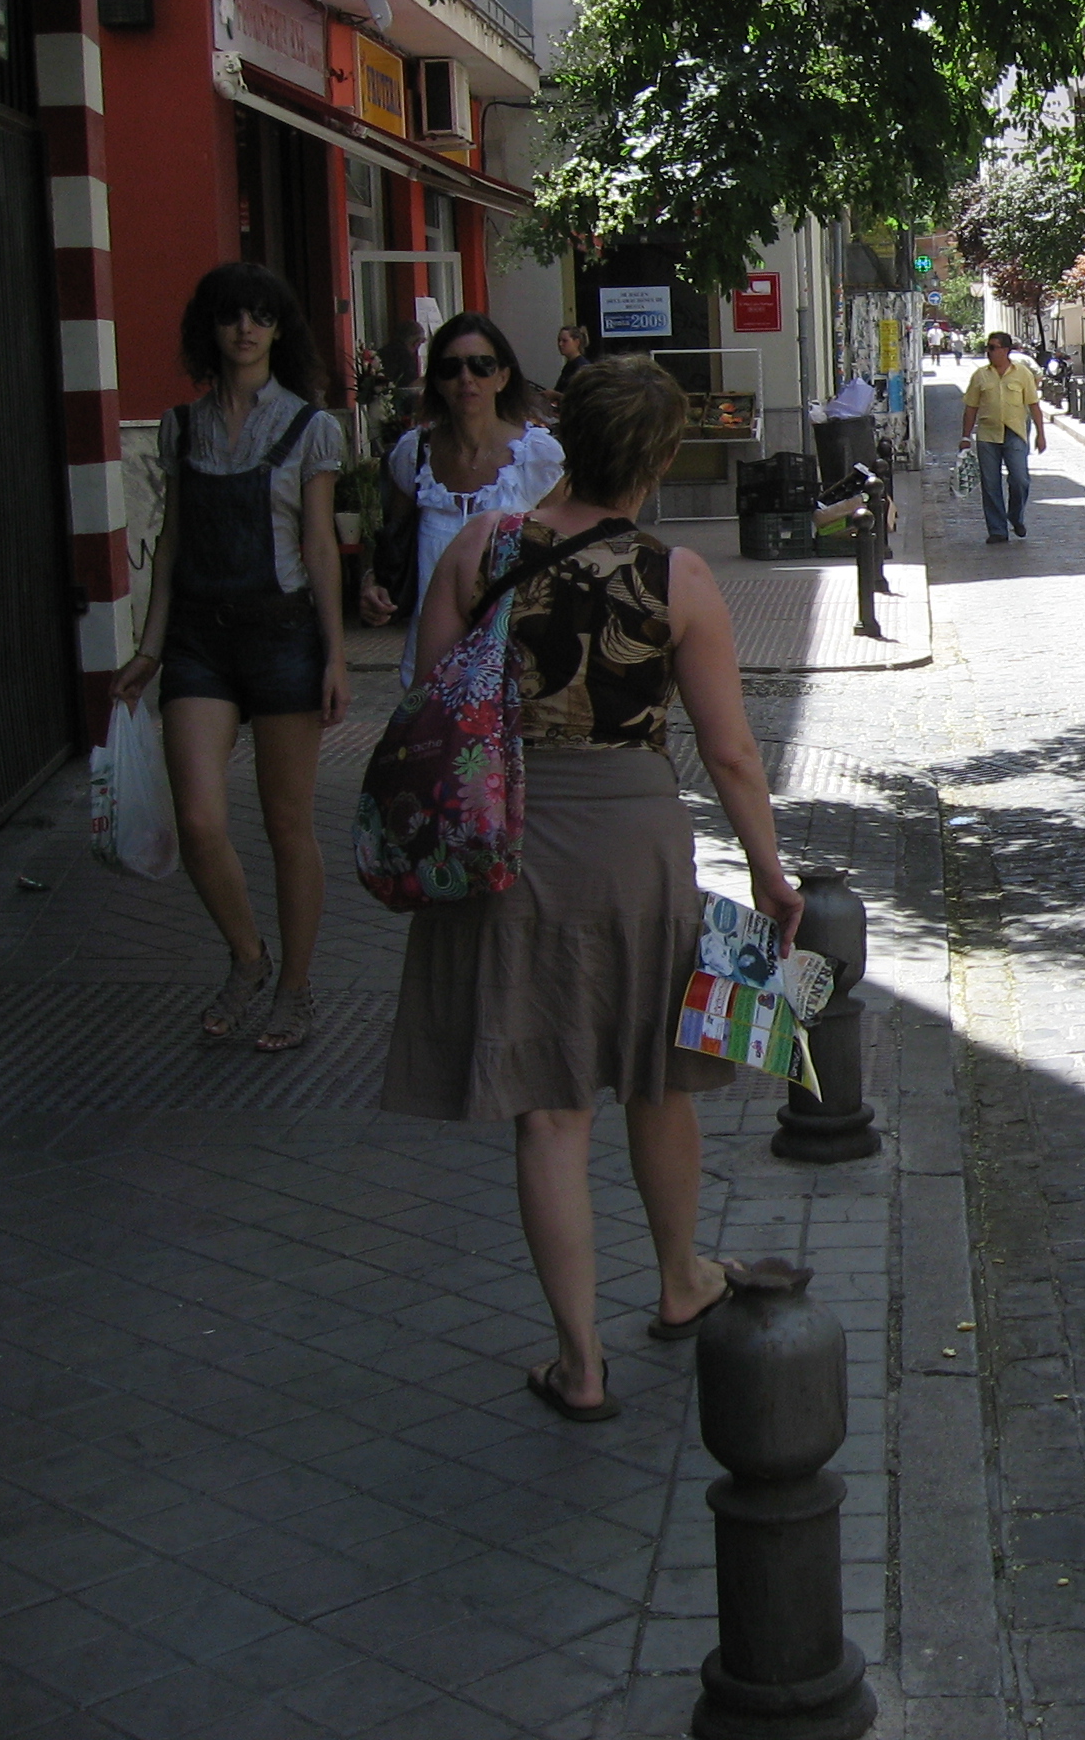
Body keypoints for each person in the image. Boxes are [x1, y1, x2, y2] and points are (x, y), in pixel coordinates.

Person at [384, 359, 802, 1422]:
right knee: (659, 1076)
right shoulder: (677, 578)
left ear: (565, 441)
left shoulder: (482, 549)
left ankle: (578, 1366)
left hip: (508, 839)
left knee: (550, 1110)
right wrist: (768, 871)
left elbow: (431, 700)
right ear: (659, 460)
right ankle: (680, 1281)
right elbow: (730, 753)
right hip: (634, 839)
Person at [112, 263, 349, 1054]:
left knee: (287, 825)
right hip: (199, 640)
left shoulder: (309, 428)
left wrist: (336, 655)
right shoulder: (181, 427)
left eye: (260, 316)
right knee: (199, 819)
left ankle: (294, 988)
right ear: (208, 329)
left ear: (279, 329)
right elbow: (172, 543)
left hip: (282, 634)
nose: (245, 329)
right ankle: (248, 955)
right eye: (230, 316)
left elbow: (320, 547)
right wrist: (149, 647)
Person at [362, 313, 564, 685]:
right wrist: (373, 581)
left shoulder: (538, 458)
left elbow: (564, 560)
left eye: (481, 365)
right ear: (437, 381)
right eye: (451, 367)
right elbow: (394, 543)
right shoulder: (413, 456)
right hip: (431, 667)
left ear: (503, 376)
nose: (466, 378)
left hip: (514, 668)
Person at [961, 331, 1048, 543]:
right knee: (990, 484)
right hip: (987, 434)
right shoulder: (980, 375)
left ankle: (1015, 516)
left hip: (1015, 432)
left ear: (1005, 350)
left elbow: (1034, 405)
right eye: (988, 347)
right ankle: (997, 530)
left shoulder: (1022, 374)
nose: (989, 352)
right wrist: (965, 437)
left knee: (1020, 479)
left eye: (993, 347)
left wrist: (1041, 434)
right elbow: (970, 408)